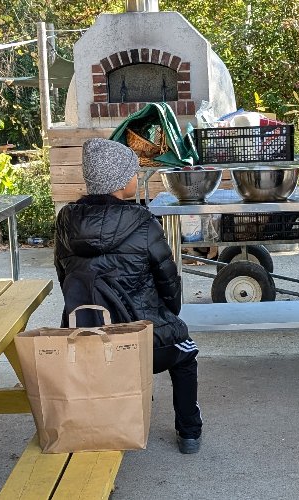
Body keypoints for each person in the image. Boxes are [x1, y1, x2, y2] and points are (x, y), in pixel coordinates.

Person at [55, 138, 204, 454]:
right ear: (121, 181)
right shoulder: (142, 221)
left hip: (85, 336)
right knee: (185, 350)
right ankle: (189, 431)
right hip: (141, 338)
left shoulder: (66, 220)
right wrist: (171, 313)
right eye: (133, 172)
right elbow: (167, 277)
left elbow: (64, 276)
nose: (137, 178)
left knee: (144, 345)